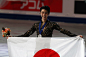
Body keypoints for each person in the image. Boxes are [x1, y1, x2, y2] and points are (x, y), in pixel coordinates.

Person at [8, 6, 83, 38]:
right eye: (42, 12)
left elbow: (63, 31)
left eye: (46, 13)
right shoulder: (36, 25)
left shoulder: (52, 24)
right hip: (38, 46)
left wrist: (75, 36)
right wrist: (13, 38)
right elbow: (26, 34)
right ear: (40, 13)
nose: (44, 15)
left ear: (48, 14)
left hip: (47, 47)